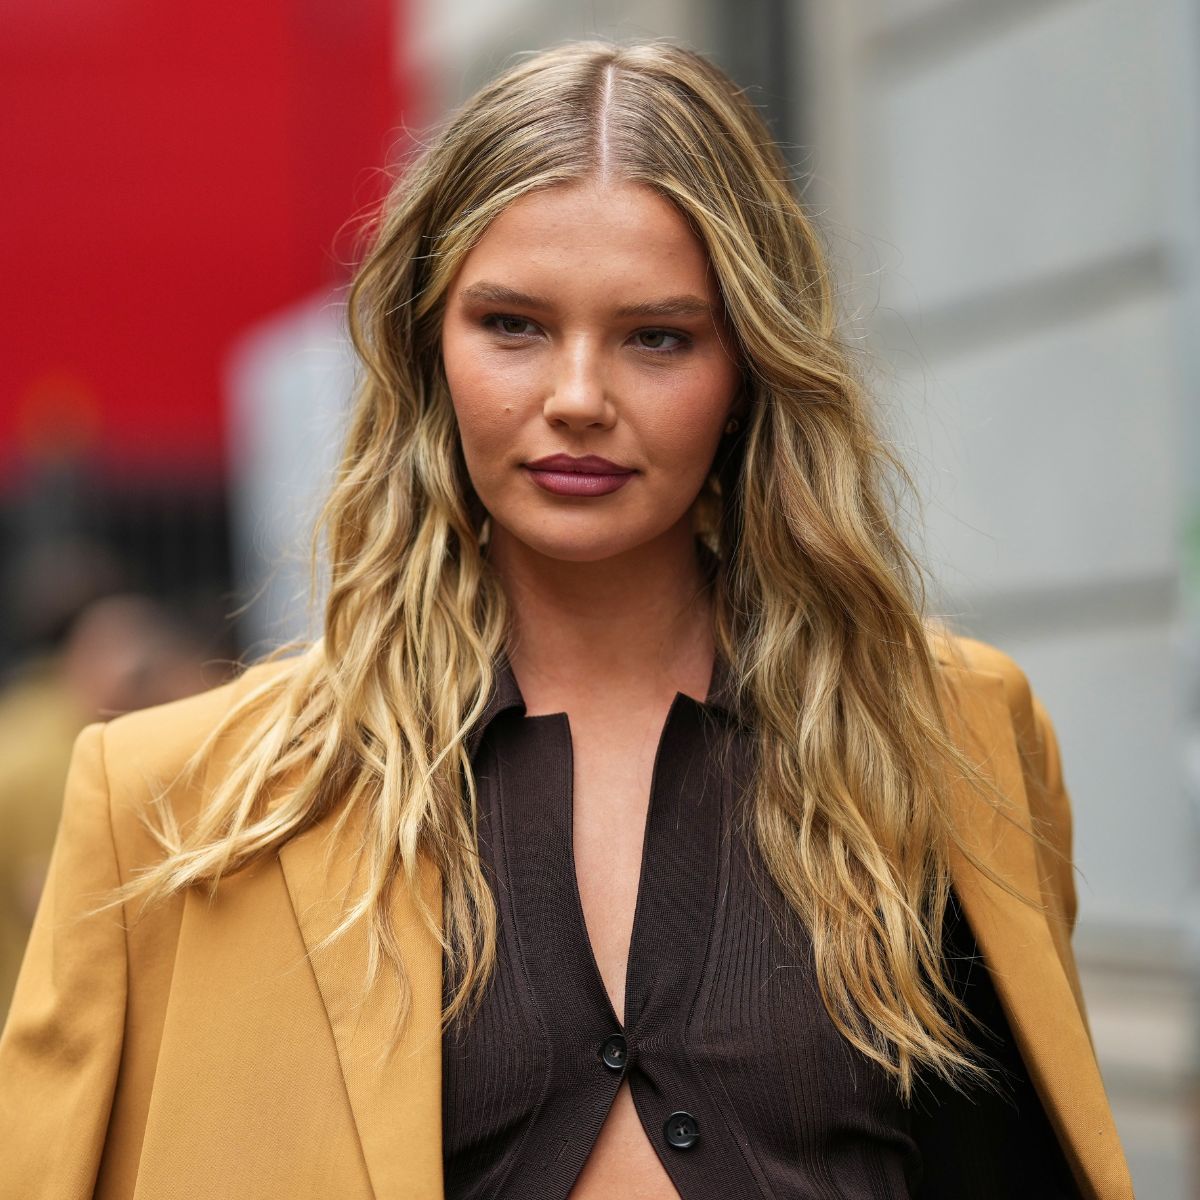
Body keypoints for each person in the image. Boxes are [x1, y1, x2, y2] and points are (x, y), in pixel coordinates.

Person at [0, 40, 1132, 1200]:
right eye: (514, 325)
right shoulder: (174, 805)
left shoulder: (957, 736)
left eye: (657, 337)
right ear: (426, 347)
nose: (579, 398)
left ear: (748, 368)